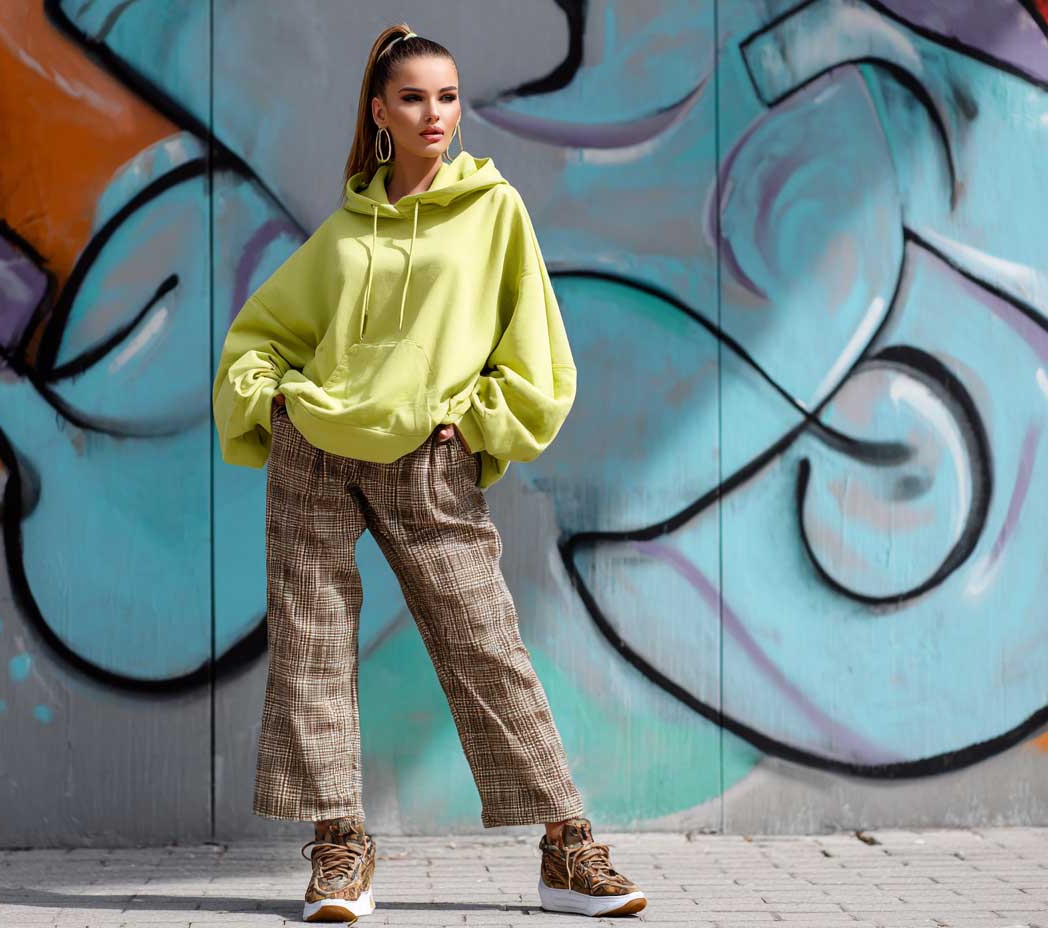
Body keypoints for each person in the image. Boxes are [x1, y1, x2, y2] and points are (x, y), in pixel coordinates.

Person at [212, 23, 647, 923]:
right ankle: (341, 851)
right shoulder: (345, 228)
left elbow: (539, 358)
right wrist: (275, 404)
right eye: (414, 98)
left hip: (427, 458)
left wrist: (473, 423)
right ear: (380, 112)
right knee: (312, 647)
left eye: (447, 96)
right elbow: (262, 334)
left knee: (486, 645)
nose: (435, 113)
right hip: (317, 454)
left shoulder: (495, 213)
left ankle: (566, 849)